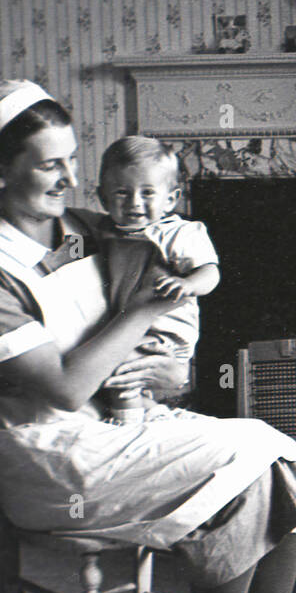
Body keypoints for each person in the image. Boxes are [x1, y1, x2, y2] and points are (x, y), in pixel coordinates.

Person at [0, 79, 296, 593]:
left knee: (278, 456)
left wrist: (165, 367)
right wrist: (146, 311)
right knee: (250, 463)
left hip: (124, 418)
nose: (71, 180)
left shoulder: (86, 227)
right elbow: (64, 387)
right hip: (52, 449)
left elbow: (170, 330)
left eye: (73, 161)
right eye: (50, 165)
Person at [92, 136, 219, 422]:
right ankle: (148, 415)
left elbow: (211, 273)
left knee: (123, 373)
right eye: (122, 193)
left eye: (148, 193)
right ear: (103, 198)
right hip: (130, 325)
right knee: (124, 373)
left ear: (171, 199)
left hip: (167, 332)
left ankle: (127, 427)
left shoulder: (178, 234)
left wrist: (188, 284)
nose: (135, 203)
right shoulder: (103, 231)